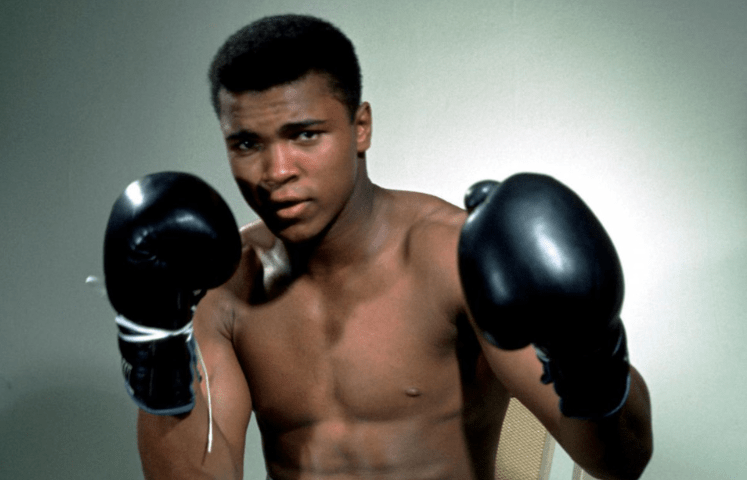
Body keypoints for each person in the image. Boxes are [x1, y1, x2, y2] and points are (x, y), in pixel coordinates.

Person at [103, 14, 653, 480]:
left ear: (360, 127)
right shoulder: (223, 289)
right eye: (247, 143)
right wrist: (154, 341)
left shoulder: (453, 259)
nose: (276, 172)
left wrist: (588, 355)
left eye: (304, 135)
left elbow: (620, 463)